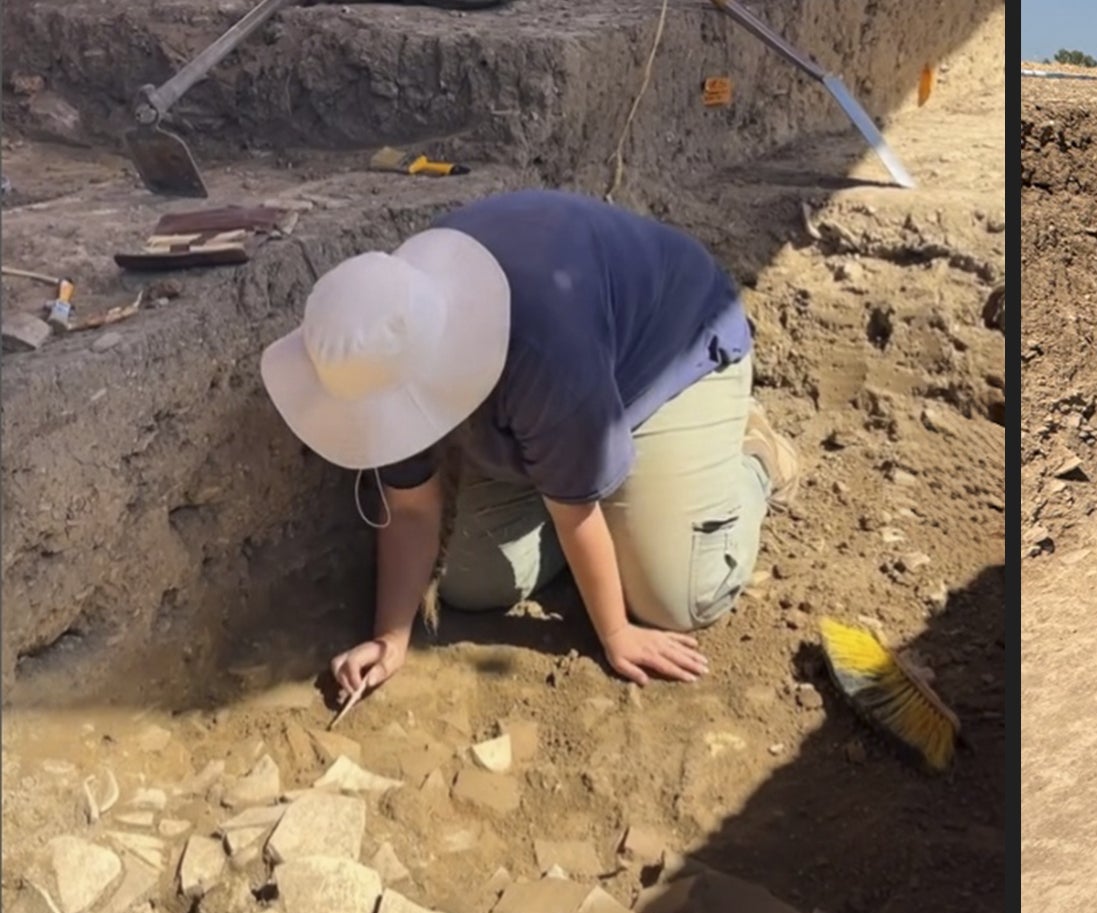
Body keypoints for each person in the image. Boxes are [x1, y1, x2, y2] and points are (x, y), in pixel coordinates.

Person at [260, 189, 799, 693]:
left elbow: (575, 516)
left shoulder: (543, 350)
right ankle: (592, 467)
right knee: (473, 585)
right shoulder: (382, 349)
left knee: (677, 596)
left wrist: (615, 635)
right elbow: (413, 512)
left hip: (669, 355)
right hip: (565, 397)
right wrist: (390, 638)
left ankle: (754, 456)